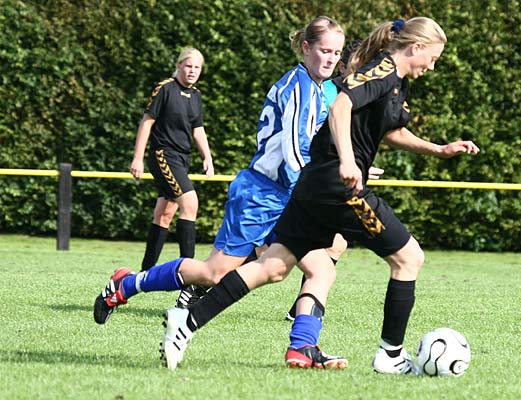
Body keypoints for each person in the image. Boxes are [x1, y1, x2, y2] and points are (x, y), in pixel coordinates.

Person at [158, 16, 480, 372]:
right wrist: (348, 161)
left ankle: (186, 321)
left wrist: (438, 149)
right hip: (338, 188)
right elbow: (340, 106)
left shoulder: (396, 82)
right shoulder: (384, 71)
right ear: (416, 47)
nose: (432, 66)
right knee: (408, 258)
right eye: (433, 58)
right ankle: (390, 356)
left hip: (314, 186)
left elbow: (390, 131)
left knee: (272, 267)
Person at [93, 16, 347, 325]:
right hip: (263, 194)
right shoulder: (299, 87)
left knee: (321, 268)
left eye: (336, 52)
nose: (331, 59)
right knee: (214, 272)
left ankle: (302, 346)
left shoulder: (315, 88)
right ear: (306, 48)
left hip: (284, 194)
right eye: (325, 51)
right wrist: (325, 183)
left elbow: (309, 148)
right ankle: (127, 284)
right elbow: (295, 152)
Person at [284, 38, 365, 322]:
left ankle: (302, 309)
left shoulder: (354, 95)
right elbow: (309, 141)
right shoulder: (328, 92)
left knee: (335, 245)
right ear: (343, 67)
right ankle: (201, 284)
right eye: (358, 67)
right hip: (301, 179)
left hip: (320, 178)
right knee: (269, 255)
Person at [130, 48, 214, 272]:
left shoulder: (196, 95)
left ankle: (145, 272)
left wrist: (207, 157)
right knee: (190, 203)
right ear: (179, 66)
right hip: (163, 155)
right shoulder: (165, 88)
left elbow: (198, 129)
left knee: (164, 215)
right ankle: (189, 273)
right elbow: (147, 122)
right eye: (188, 66)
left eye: (197, 67)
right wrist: (137, 158)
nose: (192, 71)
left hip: (182, 159)